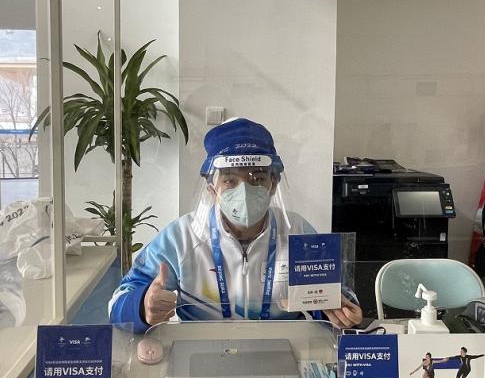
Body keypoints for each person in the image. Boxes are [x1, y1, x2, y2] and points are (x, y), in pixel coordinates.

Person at [108, 118, 363, 333]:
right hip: (199, 350)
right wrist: (141, 306)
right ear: (212, 188)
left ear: (273, 184)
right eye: (230, 180)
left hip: (283, 347)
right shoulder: (181, 237)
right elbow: (117, 303)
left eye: (257, 178)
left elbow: (334, 295)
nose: (244, 190)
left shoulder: (297, 232)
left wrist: (337, 311)